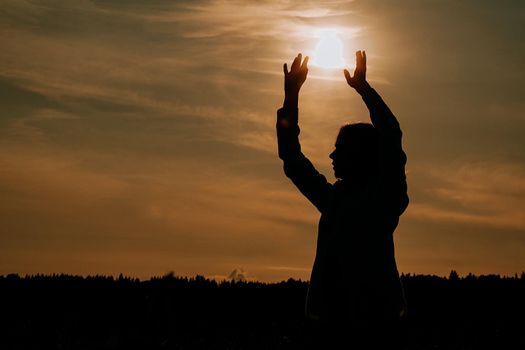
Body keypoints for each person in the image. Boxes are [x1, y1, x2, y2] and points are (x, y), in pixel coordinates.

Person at [276, 51, 409, 349]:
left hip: (376, 330)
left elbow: (390, 134)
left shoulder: (385, 198)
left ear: (361, 155)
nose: (332, 156)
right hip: (327, 329)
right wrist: (291, 97)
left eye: (340, 150)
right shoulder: (334, 199)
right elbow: (291, 158)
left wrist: (364, 89)